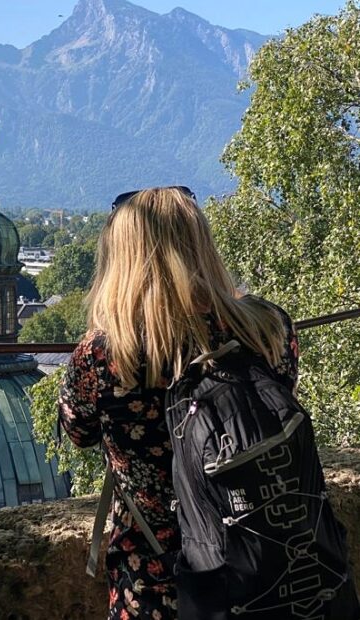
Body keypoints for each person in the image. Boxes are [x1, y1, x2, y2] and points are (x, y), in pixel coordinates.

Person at [58, 187, 298, 620]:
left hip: (154, 576)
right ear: (200, 243)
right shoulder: (268, 328)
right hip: (268, 564)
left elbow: (78, 431)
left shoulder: (104, 355)